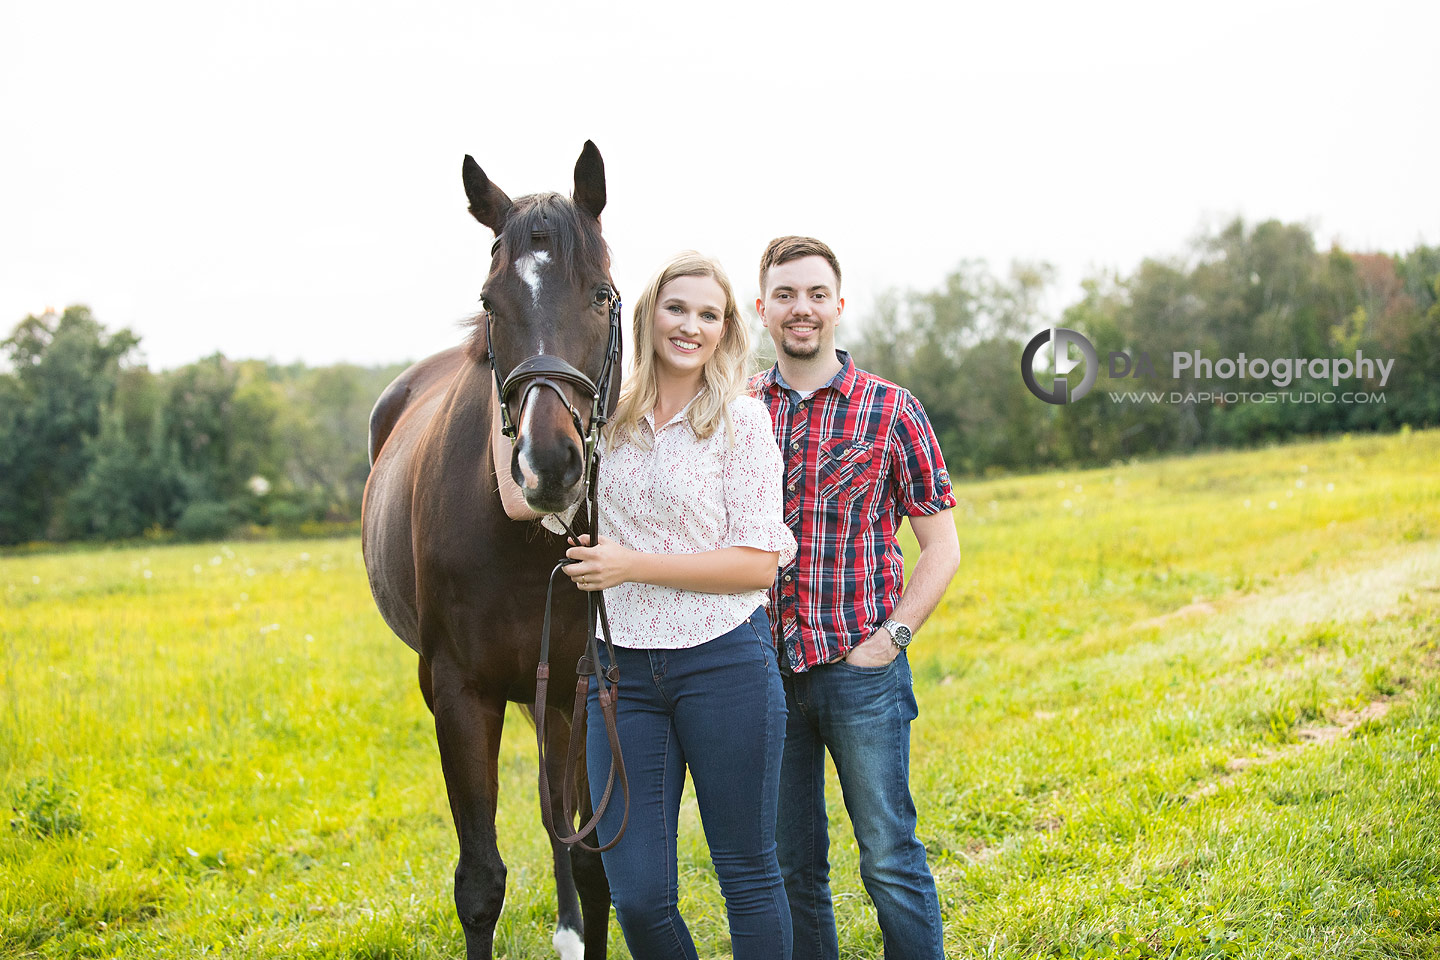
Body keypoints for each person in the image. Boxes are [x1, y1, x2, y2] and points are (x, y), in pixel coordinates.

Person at [560, 251, 798, 960]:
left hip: (725, 662)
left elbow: (756, 565)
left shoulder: (740, 423)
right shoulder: (607, 423)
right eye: (677, 308)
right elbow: (530, 501)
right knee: (636, 895)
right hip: (621, 676)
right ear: (648, 315)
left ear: (726, 330)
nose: (690, 326)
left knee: (748, 874)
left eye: (708, 314)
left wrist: (630, 564)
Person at [749, 236, 961, 960]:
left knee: (889, 859)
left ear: (837, 306)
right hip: (764, 678)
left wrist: (889, 641)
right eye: (785, 295)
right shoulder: (737, 411)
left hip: (860, 672)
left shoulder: (892, 410)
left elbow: (943, 546)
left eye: (814, 294)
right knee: (791, 870)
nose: (800, 309)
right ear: (762, 309)